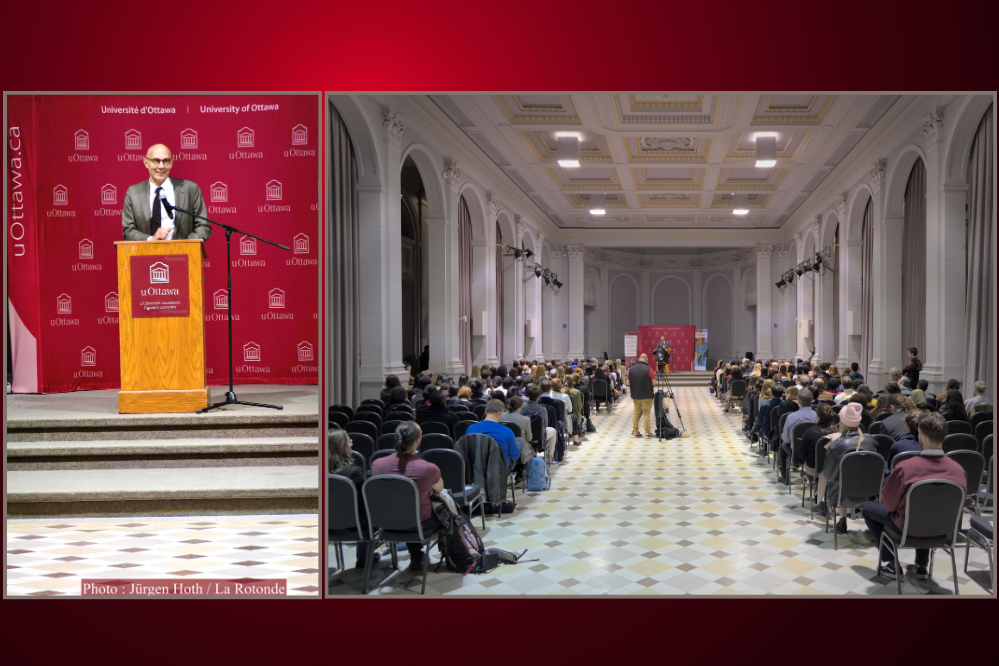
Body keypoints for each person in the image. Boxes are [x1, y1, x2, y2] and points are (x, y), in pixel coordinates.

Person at [861, 412, 967, 581]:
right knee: (929, 507)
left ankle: (891, 562)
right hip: (943, 530)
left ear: (922, 435)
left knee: (867, 508)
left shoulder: (905, 468)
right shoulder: (959, 470)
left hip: (907, 529)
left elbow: (889, 504)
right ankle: (922, 565)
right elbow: (959, 506)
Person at [370, 422, 444, 572]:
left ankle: (416, 555)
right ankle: (453, 557)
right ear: (418, 440)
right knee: (448, 515)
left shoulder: (377, 465)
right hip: (419, 525)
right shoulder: (428, 468)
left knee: (402, 507)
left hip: (386, 523)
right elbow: (439, 488)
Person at [122, 143, 211, 241]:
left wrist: (184, 246)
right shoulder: (134, 192)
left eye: (166, 161)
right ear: (146, 163)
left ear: (171, 163)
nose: (161, 166)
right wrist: (151, 239)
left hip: (182, 254)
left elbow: (203, 226)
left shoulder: (190, 189)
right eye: (156, 161)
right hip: (145, 254)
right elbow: (128, 231)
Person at [813, 402, 877, 534]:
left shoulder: (838, 444)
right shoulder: (872, 440)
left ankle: (842, 519)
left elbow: (829, 474)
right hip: (871, 491)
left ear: (842, 421)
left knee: (838, 480)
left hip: (842, 494)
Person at [329, 430, 378, 568]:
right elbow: (366, 505)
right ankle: (363, 557)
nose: (352, 445)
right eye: (349, 441)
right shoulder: (353, 473)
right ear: (342, 447)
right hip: (355, 528)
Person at [467, 399, 522, 472]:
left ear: (485, 411)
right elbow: (515, 456)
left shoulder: (470, 429)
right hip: (500, 470)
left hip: (477, 468)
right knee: (520, 441)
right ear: (500, 412)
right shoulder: (507, 431)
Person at [778, 388, 817, 485]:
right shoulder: (817, 416)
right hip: (814, 453)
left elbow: (786, 439)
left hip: (796, 452)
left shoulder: (791, 417)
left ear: (798, 402)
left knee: (783, 445)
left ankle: (785, 476)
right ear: (811, 401)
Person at [520, 384, 556, 459]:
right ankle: (549, 457)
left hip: (524, 435)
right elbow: (545, 425)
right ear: (539, 396)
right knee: (553, 430)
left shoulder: (521, 407)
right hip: (539, 436)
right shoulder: (542, 409)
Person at [801, 404, 838, 478]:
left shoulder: (810, 432)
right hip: (833, 470)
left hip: (814, 469)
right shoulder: (838, 431)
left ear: (818, 417)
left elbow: (802, 454)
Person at [500, 396, 535, 466]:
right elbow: (529, 438)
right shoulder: (526, 419)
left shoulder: (500, 416)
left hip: (501, 448)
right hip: (520, 451)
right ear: (521, 406)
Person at [628, 353, 655, 437]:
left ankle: (635, 431)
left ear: (639, 359)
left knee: (636, 413)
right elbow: (654, 382)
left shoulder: (631, 369)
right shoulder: (648, 369)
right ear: (647, 360)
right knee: (646, 413)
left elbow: (627, 382)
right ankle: (647, 432)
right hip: (647, 395)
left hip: (635, 395)